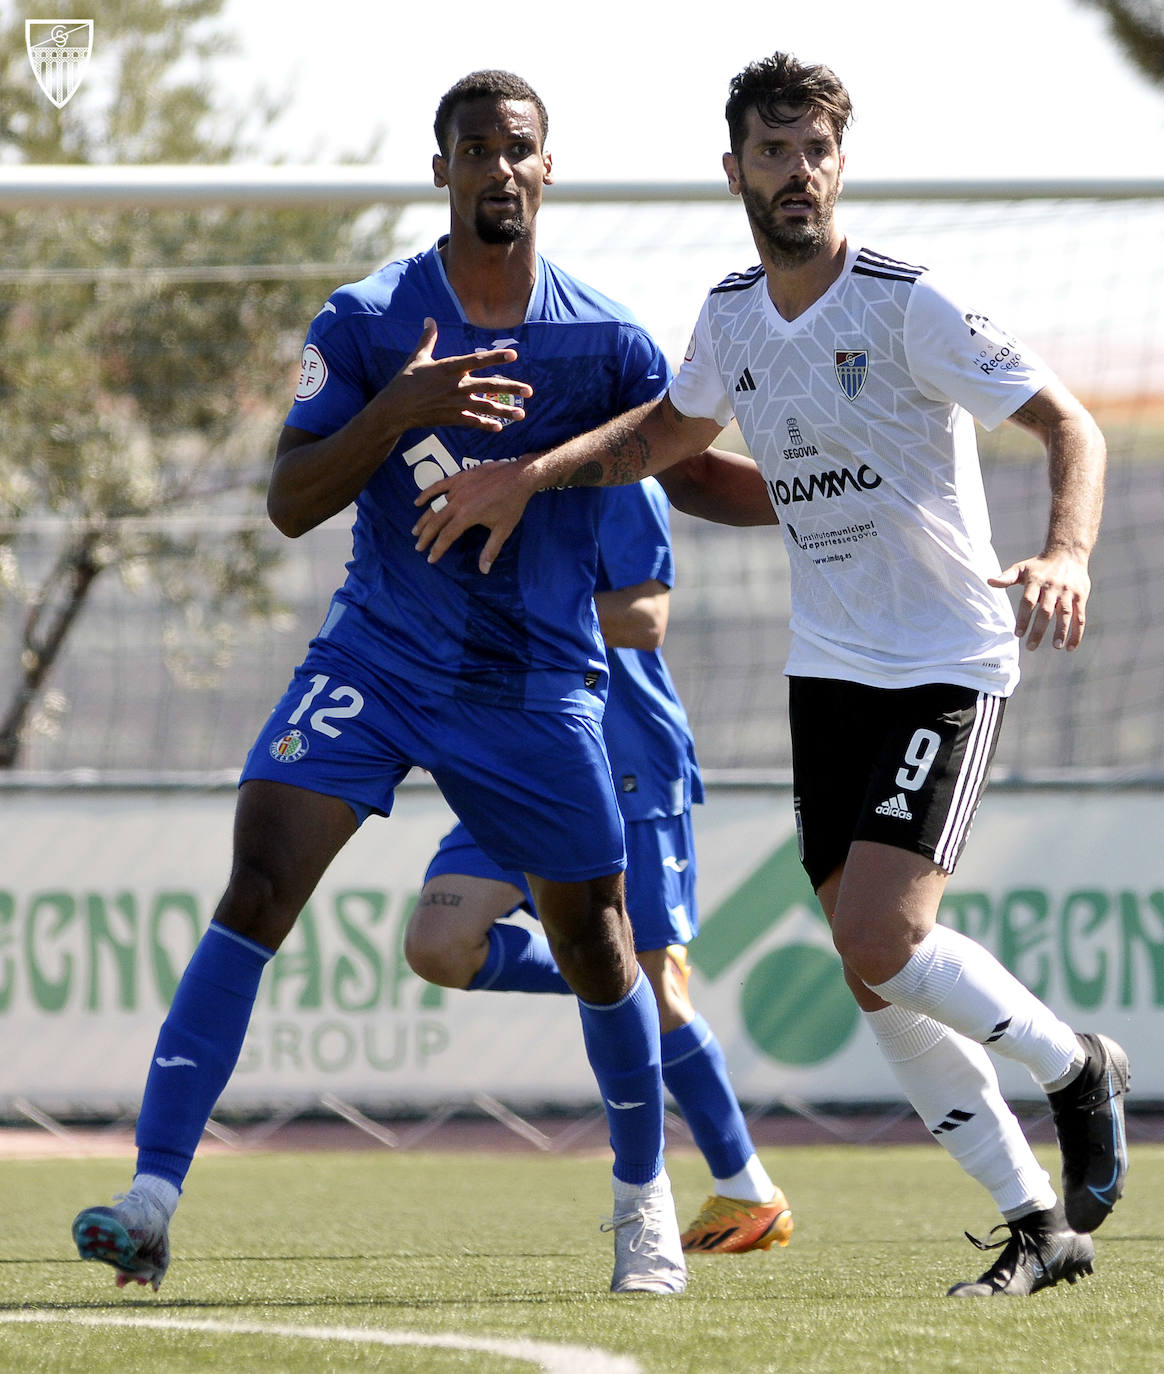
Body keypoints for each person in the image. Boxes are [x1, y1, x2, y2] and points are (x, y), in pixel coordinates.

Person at [410, 54, 1129, 1300]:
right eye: (775, 152)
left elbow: (1074, 424)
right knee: (870, 970)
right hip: (829, 674)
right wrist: (529, 477)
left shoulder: (912, 303)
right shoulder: (733, 316)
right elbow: (667, 443)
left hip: (946, 661)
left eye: (817, 152)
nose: (799, 174)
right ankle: (1034, 1227)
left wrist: (1065, 552)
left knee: (882, 936)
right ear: (734, 168)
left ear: (840, 164)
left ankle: (1077, 1069)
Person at [69, 69, 755, 1299]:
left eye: (519, 149)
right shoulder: (368, 318)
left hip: (533, 681)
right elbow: (288, 502)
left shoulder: (604, 337)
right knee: (261, 874)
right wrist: (398, 408)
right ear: (439, 170)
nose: (498, 167)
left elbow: (688, 462)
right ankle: (152, 1196)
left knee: (600, 942)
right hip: (376, 658)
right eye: (474, 149)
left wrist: (834, 493)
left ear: (551, 168)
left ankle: (643, 1204)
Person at [404, 476, 792, 1255]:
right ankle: (603, 973)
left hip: (624, 764)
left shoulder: (620, 477)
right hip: (517, 761)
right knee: (439, 942)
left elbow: (646, 617)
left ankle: (749, 1193)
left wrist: (510, 618)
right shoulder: (485, 472)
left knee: (656, 988)